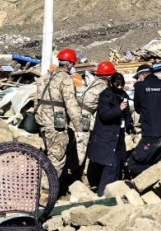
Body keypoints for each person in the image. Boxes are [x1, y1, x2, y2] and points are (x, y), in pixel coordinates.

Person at [35, 47, 82, 188]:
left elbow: (36, 100)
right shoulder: (66, 79)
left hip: (41, 120)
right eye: (73, 64)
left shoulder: (44, 77)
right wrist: (79, 127)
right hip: (56, 123)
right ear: (69, 64)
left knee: (48, 154)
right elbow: (72, 105)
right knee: (56, 158)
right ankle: (45, 191)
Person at [86, 69, 134, 196]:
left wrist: (129, 124)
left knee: (118, 163)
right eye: (117, 85)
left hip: (118, 135)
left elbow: (127, 113)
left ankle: (113, 193)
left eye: (121, 85)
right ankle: (103, 194)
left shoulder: (123, 95)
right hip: (106, 135)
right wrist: (118, 109)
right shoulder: (105, 95)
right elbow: (105, 115)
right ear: (112, 83)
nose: (120, 88)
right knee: (110, 164)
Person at [126, 64, 161, 176]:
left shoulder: (140, 86)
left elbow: (137, 108)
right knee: (152, 162)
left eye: (138, 77)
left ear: (142, 75)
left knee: (133, 163)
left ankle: (147, 181)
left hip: (150, 134)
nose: (138, 80)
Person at [75, 62, 112, 166]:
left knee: (79, 145)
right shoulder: (103, 88)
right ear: (109, 76)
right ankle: (73, 171)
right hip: (85, 119)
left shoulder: (93, 83)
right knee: (81, 148)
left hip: (77, 114)